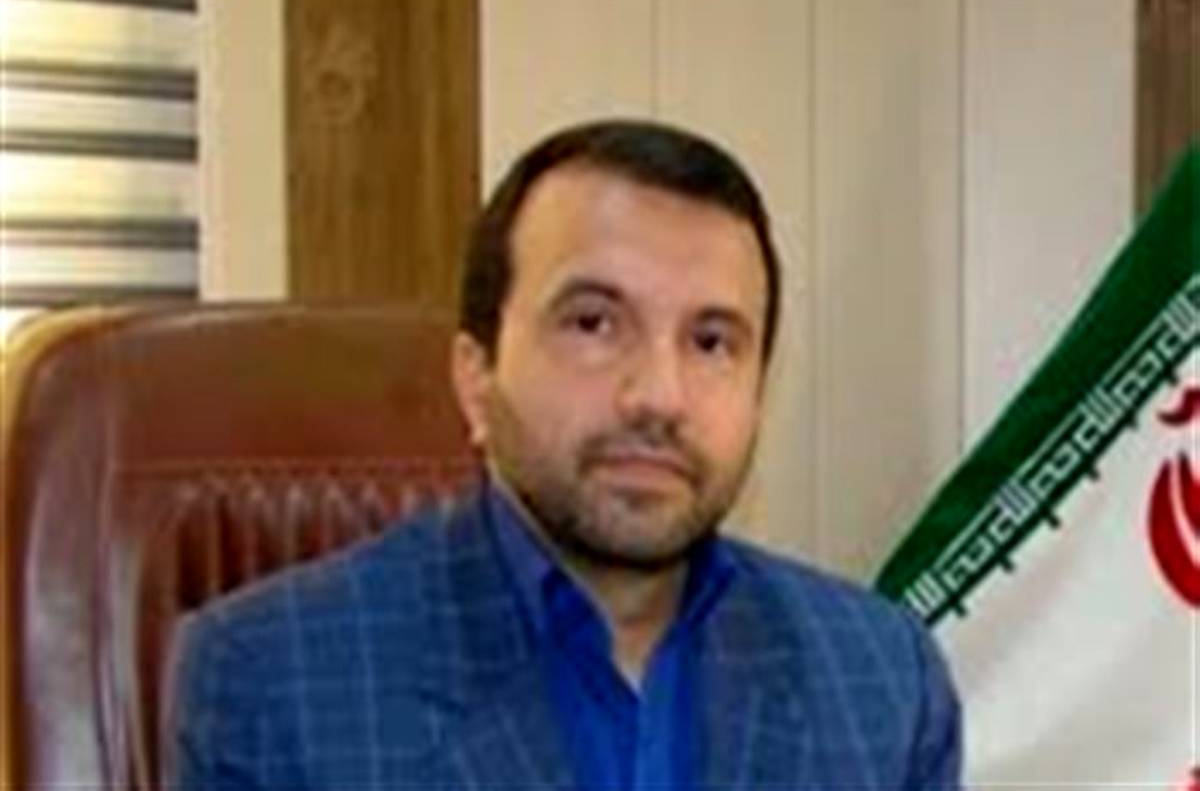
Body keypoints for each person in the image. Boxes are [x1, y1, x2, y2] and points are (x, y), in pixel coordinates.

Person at [168, 120, 962, 790]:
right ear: (475, 378)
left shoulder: (886, 681)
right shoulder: (271, 679)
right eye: (593, 323)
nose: (659, 395)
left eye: (712, 341)